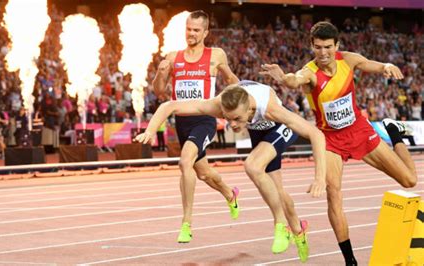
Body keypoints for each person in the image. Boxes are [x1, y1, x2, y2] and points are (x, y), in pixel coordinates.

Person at [260, 21, 417, 265]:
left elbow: (370, 64)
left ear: (337, 46)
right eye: (318, 47)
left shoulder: (349, 60)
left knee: (410, 180)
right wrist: (283, 78)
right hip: (330, 139)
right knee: (334, 195)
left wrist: (386, 65)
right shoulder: (310, 71)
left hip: (359, 130)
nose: (323, 53)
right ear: (312, 46)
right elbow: (295, 79)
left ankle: (394, 132)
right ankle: (350, 260)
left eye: (328, 47)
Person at [136, 80, 327, 262]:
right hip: (259, 131)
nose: (233, 125)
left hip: (279, 127)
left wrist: (319, 178)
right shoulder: (219, 104)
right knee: (276, 189)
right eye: (228, 119)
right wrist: (150, 130)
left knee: (252, 165)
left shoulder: (270, 109)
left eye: (237, 119)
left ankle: (280, 225)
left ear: (250, 109)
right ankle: (298, 230)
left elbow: (316, 134)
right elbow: (170, 106)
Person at [152, 10, 241, 244]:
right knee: (202, 172)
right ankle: (230, 194)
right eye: (188, 29)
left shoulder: (216, 55)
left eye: (196, 30)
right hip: (181, 121)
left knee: (184, 162)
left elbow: (232, 80)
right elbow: (159, 91)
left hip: (204, 120)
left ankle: (186, 223)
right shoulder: (173, 57)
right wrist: (161, 74)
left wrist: (238, 103)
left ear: (205, 32)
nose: (191, 33)